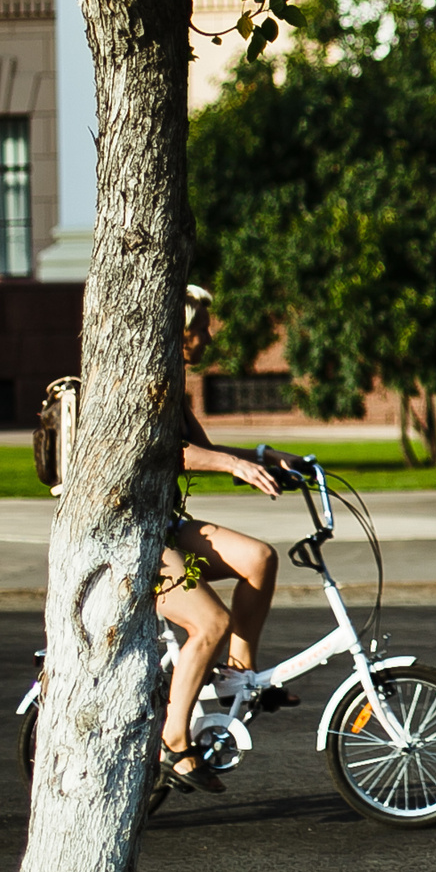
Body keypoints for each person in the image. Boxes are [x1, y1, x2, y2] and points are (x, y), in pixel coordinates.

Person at [157, 285, 299, 794]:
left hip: (167, 522)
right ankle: (174, 740)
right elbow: (169, 453)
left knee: (260, 557)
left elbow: (202, 449)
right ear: (178, 331)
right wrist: (235, 464)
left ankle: (241, 673)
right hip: (133, 536)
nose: (208, 335)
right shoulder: (145, 376)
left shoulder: (173, 380)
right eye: (200, 328)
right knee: (210, 621)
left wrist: (266, 457)